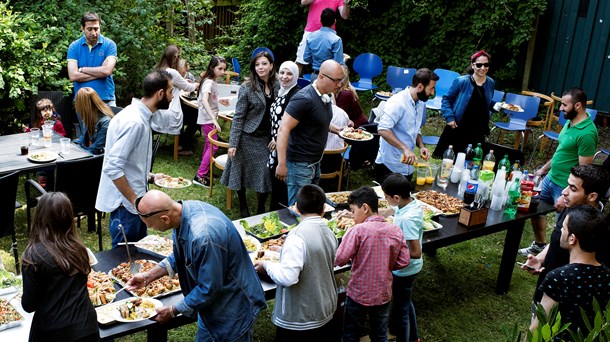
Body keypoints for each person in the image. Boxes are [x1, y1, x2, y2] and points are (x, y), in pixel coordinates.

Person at [126, 190, 267, 342]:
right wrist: (148, 276)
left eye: (151, 225)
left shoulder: (203, 236)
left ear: (165, 219)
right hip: (212, 307)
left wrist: (173, 311)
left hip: (233, 307)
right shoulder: (182, 212)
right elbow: (180, 255)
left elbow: (209, 288)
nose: (152, 229)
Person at [96, 69, 179, 248]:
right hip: (126, 207)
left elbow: (129, 162)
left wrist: (150, 177)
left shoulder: (140, 115)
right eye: (171, 91)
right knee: (126, 261)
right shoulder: (134, 121)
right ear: (160, 93)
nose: (172, 97)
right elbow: (113, 167)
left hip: (135, 205)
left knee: (140, 256)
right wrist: (136, 201)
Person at [519, 87, 598, 256]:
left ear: (577, 105)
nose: (560, 109)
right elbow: (561, 152)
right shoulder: (570, 122)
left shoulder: (587, 133)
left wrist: (566, 193)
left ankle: (556, 261)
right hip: (550, 178)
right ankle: (540, 244)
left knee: (563, 228)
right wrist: (542, 170)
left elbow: (584, 171)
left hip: (565, 186)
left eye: (564, 105)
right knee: (535, 209)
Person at [254, 184, 337, 341]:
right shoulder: (328, 231)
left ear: (296, 208)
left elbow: (288, 278)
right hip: (324, 308)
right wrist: (281, 251)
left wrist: (266, 265)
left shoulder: (297, 236)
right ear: (324, 209)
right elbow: (313, 255)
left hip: (300, 318)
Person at [521, 165, 610, 308]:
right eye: (567, 185)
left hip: (567, 305)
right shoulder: (571, 207)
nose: (564, 192)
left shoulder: (600, 230)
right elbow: (558, 238)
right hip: (546, 290)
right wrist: (540, 259)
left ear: (592, 196)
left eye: (573, 188)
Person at [335, 186, 410, 342]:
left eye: (353, 211)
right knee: (380, 333)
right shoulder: (395, 230)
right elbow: (404, 261)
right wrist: (386, 263)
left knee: (351, 334)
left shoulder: (357, 231)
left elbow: (339, 259)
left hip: (358, 293)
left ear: (365, 208)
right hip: (382, 293)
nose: (353, 216)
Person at [21, 192, 99, 342]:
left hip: (53, 332)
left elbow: (29, 305)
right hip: (87, 327)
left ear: (39, 218)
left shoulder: (33, 256)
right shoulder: (79, 248)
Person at [529, 206, 610, 337]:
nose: (560, 230)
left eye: (564, 228)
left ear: (572, 238)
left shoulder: (559, 277)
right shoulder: (606, 275)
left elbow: (538, 326)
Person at [275, 60, 346, 206]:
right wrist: (281, 164)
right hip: (299, 163)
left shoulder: (326, 96)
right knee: (299, 207)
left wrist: (335, 129)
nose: (339, 85)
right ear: (321, 77)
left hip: (315, 161)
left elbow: (316, 120)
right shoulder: (304, 98)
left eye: (341, 80)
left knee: (312, 203)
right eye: (336, 81)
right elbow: (283, 129)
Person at [221, 50, 278, 217]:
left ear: (271, 66)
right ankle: (243, 204)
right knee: (240, 171)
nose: (260, 67)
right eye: (257, 64)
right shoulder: (247, 88)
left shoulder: (278, 86)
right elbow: (238, 117)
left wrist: (276, 136)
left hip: (266, 138)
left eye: (264, 64)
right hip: (247, 136)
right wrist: (233, 143)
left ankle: (261, 206)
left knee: (266, 172)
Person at [374, 68, 438, 184]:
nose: (433, 92)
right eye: (431, 88)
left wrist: (421, 146)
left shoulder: (420, 103)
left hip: (407, 166)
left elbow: (415, 128)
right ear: (420, 87)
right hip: (389, 165)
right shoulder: (397, 102)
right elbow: (383, 129)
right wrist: (405, 148)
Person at [382, 174, 423, 342]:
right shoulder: (409, 203)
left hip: (405, 270)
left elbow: (415, 252)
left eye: (386, 197)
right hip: (408, 269)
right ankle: (414, 338)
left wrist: (389, 255)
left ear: (396, 197)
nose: (385, 200)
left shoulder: (407, 219)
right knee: (405, 302)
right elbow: (387, 211)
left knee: (401, 313)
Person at [433, 50, 497, 157]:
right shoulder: (461, 81)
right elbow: (446, 99)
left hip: (478, 128)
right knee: (451, 160)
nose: (483, 68)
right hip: (460, 125)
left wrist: (495, 105)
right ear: (472, 65)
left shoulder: (490, 82)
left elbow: (485, 102)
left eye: (486, 65)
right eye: (479, 65)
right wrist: (450, 118)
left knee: (472, 160)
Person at [268, 61, 300, 210]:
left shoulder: (296, 95)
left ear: (296, 76)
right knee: (276, 186)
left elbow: (293, 124)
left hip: (286, 148)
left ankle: (282, 220)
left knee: (282, 188)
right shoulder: (280, 91)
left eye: (289, 74)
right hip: (276, 146)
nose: (284, 77)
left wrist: (277, 138)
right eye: (282, 73)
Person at [67, 12, 117, 106]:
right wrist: (100, 73)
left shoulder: (110, 45)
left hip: (106, 99)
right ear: (82, 28)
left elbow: (107, 71)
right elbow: (73, 76)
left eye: (96, 29)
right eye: (89, 29)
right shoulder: (74, 47)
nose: (94, 33)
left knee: (110, 121)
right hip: (83, 100)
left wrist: (83, 69)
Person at [194, 56, 229, 187]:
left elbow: (209, 98)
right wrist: (213, 119)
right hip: (208, 119)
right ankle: (200, 175)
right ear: (211, 68)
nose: (222, 72)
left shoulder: (211, 81)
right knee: (213, 146)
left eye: (224, 69)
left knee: (209, 145)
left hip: (209, 118)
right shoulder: (208, 82)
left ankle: (205, 170)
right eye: (220, 68)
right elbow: (204, 100)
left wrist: (219, 101)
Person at [154, 44, 199, 138]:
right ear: (175, 57)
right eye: (179, 57)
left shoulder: (158, 69)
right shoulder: (172, 72)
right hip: (170, 109)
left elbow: (172, 84)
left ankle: (182, 141)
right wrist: (197, 84)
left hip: (157, 109)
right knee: (197, 115)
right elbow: (189, 88)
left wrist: (183, 82)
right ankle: (183, 144)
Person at [296, 0, 349, 75]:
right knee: (300, 61)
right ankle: (294, 85)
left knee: (331, 65)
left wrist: (346, 3)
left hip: (330, 34)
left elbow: (345, 16)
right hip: (311, 31)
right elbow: (303, 2)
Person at [303, 8, 344, 79]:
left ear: (320, 20)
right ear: (334, 21)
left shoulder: (311, 36)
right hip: (329, 78)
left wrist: (317, 61)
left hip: (315, 75)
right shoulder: (336, 39)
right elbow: (338, 63)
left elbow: (306, 58)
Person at [74, 87, 114, 155]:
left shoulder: (106, 121)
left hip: (99, 159)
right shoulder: (88, 116)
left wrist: (78, 155)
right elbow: (82, 140)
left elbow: (96, 148)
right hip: (88, 152)